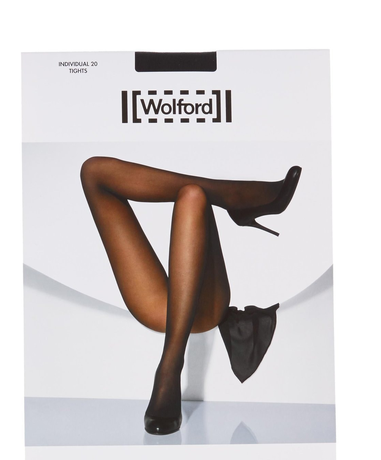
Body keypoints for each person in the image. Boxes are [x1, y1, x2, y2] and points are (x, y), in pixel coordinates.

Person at [80, 156, 301, 435]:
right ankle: (235, 199)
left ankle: (169, 367)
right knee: (94, 171)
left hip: (204, 308)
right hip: (155, 306)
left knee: (193, 195)